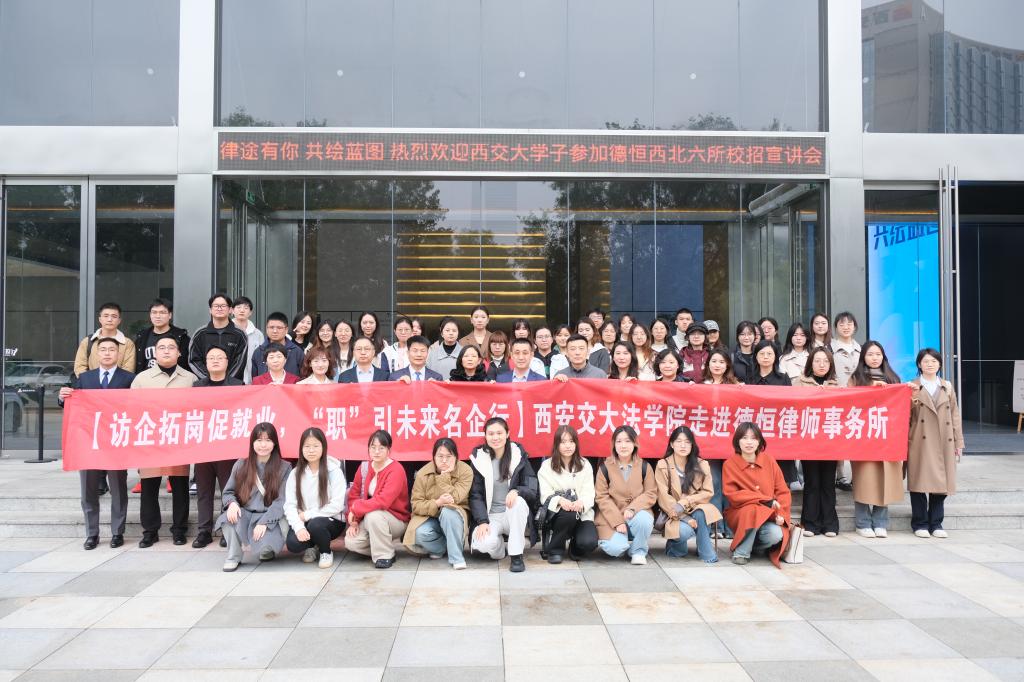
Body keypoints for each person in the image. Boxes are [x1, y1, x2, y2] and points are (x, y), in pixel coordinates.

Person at [58, 337, 134, 550]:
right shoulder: (85, 378)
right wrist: (62, 397)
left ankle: (117, 532)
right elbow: (71, 402)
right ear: (96, 354)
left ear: (118, 354)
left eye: (112, 349)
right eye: (103, 349)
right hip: (89, 442)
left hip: (116, 441)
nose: (107, 353)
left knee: (118, 489)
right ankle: (92, 534)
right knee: (88, 490)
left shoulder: (129, 378)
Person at [132, 336, 197, 548]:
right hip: (150, 440)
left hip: (179, 440)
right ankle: (150, 531)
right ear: (155, 353)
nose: (166, 351)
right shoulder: (142, 379)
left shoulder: (190, 378)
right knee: (149, 487)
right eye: (161, 348)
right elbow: (132, 409)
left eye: (171, 347)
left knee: (180, 487)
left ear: (179, 353)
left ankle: (179, 530)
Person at [217, 422, 292, 571]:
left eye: (268, 440)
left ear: (275, 443)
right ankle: (233, 556)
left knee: (266, 547)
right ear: (252, 443)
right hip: (246, 514)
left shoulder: (284, 467)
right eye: (259, 440)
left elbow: (282, 500)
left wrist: (264, 522)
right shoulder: (241, 465)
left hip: (270, 514)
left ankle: (267, 548)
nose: (263, 445)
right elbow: (228, 492)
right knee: (226, 519)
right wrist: (232, 504)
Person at [469, 417, 539, 572]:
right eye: (491, 434)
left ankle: (516, 556)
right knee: (483, 544)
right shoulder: (479, 459)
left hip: (511, 514)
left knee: (518, 502)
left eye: (499, 433)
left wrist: (517, 491)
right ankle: (500, 550)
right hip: (490, 517)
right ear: (485, 436)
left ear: (507, 434)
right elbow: (475, 495)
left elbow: (532, 488)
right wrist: (482, 521)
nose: (495, 437)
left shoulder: (518, 455)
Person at [907, 348, 964, 539]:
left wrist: (959, 442)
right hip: (919, 440)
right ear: (919, 364)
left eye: (934, 361)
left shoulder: (947, 386)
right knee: (918, 483)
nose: (930, 364)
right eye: (926, 361)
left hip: (944, 440)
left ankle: (936, 523)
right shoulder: (912, 386)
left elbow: (955, 415)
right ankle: (920, 523)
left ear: (939, 364)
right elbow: (906, 416)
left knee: (942, 484)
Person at [849, 341, 904, 538]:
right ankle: (862, 522)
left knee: (885, 480)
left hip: (887, 437)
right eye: (870, 354)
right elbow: (849, 403)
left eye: (878, 354)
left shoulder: (893, 378)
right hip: (864, 438)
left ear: (883, 357)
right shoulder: (856, 378)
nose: (874, 358)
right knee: (864, 480)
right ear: (863, 357)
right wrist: (871, 389)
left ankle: (880, 522)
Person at [192, 346, 245, 549]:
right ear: (205, 363)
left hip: (227, 448)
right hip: (203, 448)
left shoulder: (238, 385)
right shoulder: (197, 387)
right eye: (211, 358)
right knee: (204, 491)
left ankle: (227, 528)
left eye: (219, 357)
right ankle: (204, 531)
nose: (215, 360)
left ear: (227, 362)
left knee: (228, 490)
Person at [723, 422, 791, 566]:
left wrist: (781, 514)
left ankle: (753, 546)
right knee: (752, 510)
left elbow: (782, 491)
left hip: (769, 515)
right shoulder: (730, 464)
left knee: (776, 534)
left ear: (759, 441)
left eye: (753, 438)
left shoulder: (769, 460)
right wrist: (764, 500)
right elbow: (732, 495)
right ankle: (742, 552)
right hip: (741, 515)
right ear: (737, 441)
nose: (749, 442)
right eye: (744, 438)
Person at [404, 438, 474, 569]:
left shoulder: (465, 470)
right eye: (440, 456)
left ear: (456, 457)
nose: (444, 460)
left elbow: (456, 498)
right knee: (419, 532)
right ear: (433, 457)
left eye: (449, 456)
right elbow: (416, 504)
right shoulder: (423, 473)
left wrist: (444, 477)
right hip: (430, 517)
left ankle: (457, 558)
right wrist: (437, 503)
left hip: (455, 514)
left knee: (448, 511)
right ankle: (441, 548)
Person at [793, 346, 840, 537]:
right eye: (817, 361)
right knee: (812, 481)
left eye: (826, 361)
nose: (822, 364)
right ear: (810, 363)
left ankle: (830, 524)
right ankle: (810, 523)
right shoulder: (799, 383)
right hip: (809, 440)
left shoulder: (837, 385)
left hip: (830, 441)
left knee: (828, 482)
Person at [346, 430, 410, 568]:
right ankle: (383, 546)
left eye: (381, 448)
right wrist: (355, 520)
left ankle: (385, 555)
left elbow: (383, 501)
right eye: (373, 447)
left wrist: (356, 509)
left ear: (389, 450)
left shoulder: (396, 470)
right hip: (369, 518)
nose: (376, 451)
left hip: (396, 520)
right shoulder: (364, 467)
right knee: (351, 542)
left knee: (373, 516)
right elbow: (354, 495)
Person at [655, 426, 720, 563]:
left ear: (692, 445)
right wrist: (684, 517)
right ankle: (675, 546)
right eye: (679, 441)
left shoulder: (702, 464)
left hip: (694, 508)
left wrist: (686, 501)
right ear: (672, 444)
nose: (683, 445)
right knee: (684, 533)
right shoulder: (663, 464)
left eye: (687, 442)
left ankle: (705, 551)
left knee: (703, 512)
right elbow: (663, 497)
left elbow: (708, 492)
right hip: (672, 512)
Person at [284, 427, 346, 568]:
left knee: (316, 525)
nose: (311, 450)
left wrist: (308, 515)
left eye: (315, 446)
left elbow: (337, 505)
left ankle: (325, 551)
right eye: (307, 446)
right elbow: (289, 505)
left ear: (323, 447)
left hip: (332, 520)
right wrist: (299, 528)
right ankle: (312, 546)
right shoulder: (295, 473)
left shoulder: (333, 471)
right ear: (301, 449)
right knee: (293, 544)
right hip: (305, 520)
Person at [594, 425, 657, 565]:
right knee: (615, 549)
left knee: (644, 520)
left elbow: (650, 493)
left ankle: (638, 551)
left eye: (628, 441)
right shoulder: (605, 467)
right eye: (619, 441)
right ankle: (622, 542)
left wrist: (633, 508)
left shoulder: (644, 466)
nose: (623, 445)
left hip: (636, 513)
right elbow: (602, 497)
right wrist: (618, 521)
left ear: (635, 443)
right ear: (614, 444)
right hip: (611, 515)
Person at [537, 426, 598, 563]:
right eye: (563, 442)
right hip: (558, 515)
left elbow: (589, 492)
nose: (568, 446)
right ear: (556, 444)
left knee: (589, 543)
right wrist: (560, 501)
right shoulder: (547, 466)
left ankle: (575, 547)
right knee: (568, 513)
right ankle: (555, 550)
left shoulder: (585, 464)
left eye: (571, 441)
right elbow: (545, 494)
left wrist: (581, 502)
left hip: (581, 513)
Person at [831, 311, 861, 491]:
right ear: (836, 327)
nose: (846, 327)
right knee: (838, 437)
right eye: (841, 324)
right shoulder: (829, 348)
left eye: (849, 323)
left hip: (858, 401)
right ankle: (840, 476)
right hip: (835, 400)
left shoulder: (862, 350)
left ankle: (858, 476)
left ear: (855, 326)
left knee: (856, 436)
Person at [188, 294, 248, 381]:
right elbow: (194, 360)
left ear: (230, 310)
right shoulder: (200, 334)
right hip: (206, 384)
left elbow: (240, 362)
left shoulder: (240, 334)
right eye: (216, 306)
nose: (219, 309)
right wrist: (210, 379)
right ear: (210, 310)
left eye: (223, 306)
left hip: (233, 385)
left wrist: (226, 381)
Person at [73, 302, 137, 377]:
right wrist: (90, 381)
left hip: (119, 384)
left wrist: (112, 382)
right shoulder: (88, 341)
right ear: (100, 319)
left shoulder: (127, 343)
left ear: (119, 320)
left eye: (114, 316)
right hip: (91, 383)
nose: (109, 319)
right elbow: (80, 366)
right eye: (106, 316)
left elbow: (128, 369)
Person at [134, 298, 190, 375]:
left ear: (170, 315)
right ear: (150, 315)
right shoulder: (142, 337)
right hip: (147, 380)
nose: (158, 316)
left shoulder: (181, 337)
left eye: (162, 312)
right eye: (154, 312)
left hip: (173, 379)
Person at [251, 312, 305, 378]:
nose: (275, 331)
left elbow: (303, 377)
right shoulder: (258, 352)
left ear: (286, 330)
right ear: (266, 329)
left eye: (279, 328)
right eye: (271, 327)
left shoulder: (297, 351)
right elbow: (255, 378)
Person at [231, 296, 264, 384]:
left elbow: (261, 359)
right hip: (230, 380)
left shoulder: (258, 334)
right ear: (232, 311)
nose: (242, 310)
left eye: (246, 308)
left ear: (250, 312)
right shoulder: (227, 331)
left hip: (252, 379)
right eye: (238, 307)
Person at [426, 316, 462, 380]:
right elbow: (427, 373)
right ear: (442, 333)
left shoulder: (464, 353)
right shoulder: (433, 353)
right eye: (447, 330)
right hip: (437, 386)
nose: (451, 333)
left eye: (454, 331)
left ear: (458, 333)